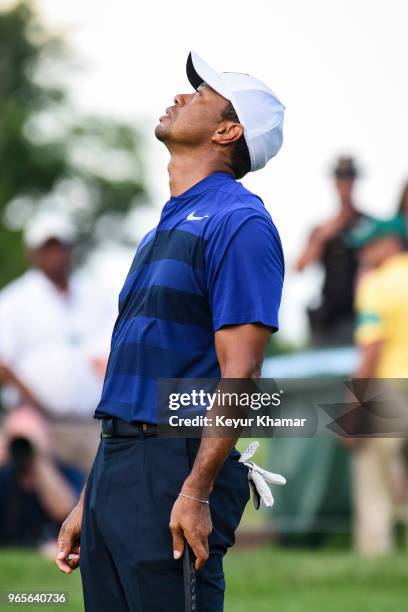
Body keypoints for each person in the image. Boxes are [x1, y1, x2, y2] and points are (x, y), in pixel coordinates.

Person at [56, 51, 285, 611]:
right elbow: (131, 382)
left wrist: (196, 490)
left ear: (228, 130)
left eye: (202, 95)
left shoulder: (240, 222)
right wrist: (91, 496)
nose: (182, 96)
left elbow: (243, 374)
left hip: (176, 467)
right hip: (118, 468)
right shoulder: (160, 229)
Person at [0, 215, 116, 474]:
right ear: (33, 253)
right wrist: (32, 401)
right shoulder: (13, 301)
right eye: (47, 248)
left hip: (93, 425)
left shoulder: (97, 294)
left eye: (59, 247)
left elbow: (107, 354)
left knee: (98, 499)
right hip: (39, 426)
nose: (55, 255)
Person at [347, 215, 408, 554]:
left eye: (368, 246)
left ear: (389, 244)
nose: (363, 254)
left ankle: (375, 553)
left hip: (390, 390)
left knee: (373, 480)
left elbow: (372, 350)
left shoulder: (377, 284)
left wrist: (352, 409)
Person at [295, 157, 367, 346]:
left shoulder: (368, 224)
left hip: (361, 315)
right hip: (329, 318)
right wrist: (323, 237)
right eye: (341, 177)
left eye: (349, 176)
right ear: (335, 183)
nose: (345, 183)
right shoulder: (321, 229)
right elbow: (300, 266)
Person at [0, 406, 84, 554]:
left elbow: (68, 513)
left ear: (47, 438)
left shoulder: (68, 473)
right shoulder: (5, 476)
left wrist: (39, 460)